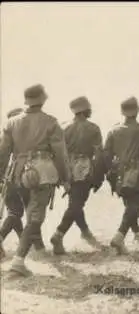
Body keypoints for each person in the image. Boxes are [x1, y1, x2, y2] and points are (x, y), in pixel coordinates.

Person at [0, 84, 71, 276]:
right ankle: (18, 262)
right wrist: (65, 178)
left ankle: (38, 250)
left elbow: (3, 154)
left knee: (29, 214)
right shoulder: (51, 123)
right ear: (43, 99)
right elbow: (61, 155)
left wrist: (1, 178)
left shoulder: (11, 122)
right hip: (43, 172)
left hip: (19, 173)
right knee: (35, 218)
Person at [104, 97, 139, 254]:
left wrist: (111, 176)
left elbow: (106, 157)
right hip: (138, 174)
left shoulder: (113, 130)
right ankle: (119, 236)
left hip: (120, 175)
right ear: (137, 111)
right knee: (136, 207)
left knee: (130, 206)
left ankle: (137, 234)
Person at [50, 96, 105, 255]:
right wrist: (98, 176)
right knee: (77, 204)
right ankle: (59, 233)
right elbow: (99, 154)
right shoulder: (93, 128)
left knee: (75, 201)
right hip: (84, 167)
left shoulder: (63, 127)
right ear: (85, 110)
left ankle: (85, 232)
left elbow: (57, 152)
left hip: (66, 167)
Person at [0, 108, 28, 260]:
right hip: (12, 178)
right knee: (16, 212)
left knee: (16, 211)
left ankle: (26, 242)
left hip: (12, 178)